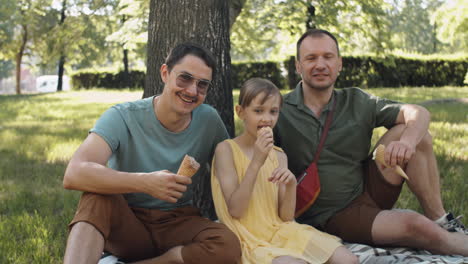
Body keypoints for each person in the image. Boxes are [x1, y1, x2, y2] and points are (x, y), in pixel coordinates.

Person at [274, 28, 468, 256]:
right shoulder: (279, 110)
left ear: (339, 63)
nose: (320, 65)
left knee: (416, 133)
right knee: (414, 225)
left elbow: (418, 112)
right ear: (298, 66)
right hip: (330, 214)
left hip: (367, 190)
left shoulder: (357, 100)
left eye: (328, 57)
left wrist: (406, 142)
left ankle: (440, 220)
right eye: (311, 58)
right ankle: (454, 243)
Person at [63, 43, 241, 264]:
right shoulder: (122, 116)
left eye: (202, 85)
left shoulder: (209, 120)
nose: (192, 91)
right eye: (184, 78)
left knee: (228, 245)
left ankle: (168, 260)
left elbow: (235, 168)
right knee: (95, 196)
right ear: (165, 73)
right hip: (129, 224)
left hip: (178, 222)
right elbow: (74, 173)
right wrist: (144, 182)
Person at [211, 78, 358, 264]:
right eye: (258, 111)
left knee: (348, 260)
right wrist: (256, 161)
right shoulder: (226, 150)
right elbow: (236, 210)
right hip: (248, 238)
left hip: (280, 230)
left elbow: (286, 217)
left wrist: (290, 186)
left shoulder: (279, 156)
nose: (267, 118)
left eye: (273, 112)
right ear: (241, 112)